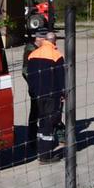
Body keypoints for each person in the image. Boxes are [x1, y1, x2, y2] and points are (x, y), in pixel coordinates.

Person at [24, 31, 65, 164]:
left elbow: (30, 76)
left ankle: (40, 149)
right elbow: (61, 78)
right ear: (54, 41)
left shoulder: (32, 54)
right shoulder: (56, 55)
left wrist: (33, 91)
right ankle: (46, 155)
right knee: (48, 123)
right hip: (51, 95)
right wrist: (63, 94)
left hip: (37, 95)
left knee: (41, 122)